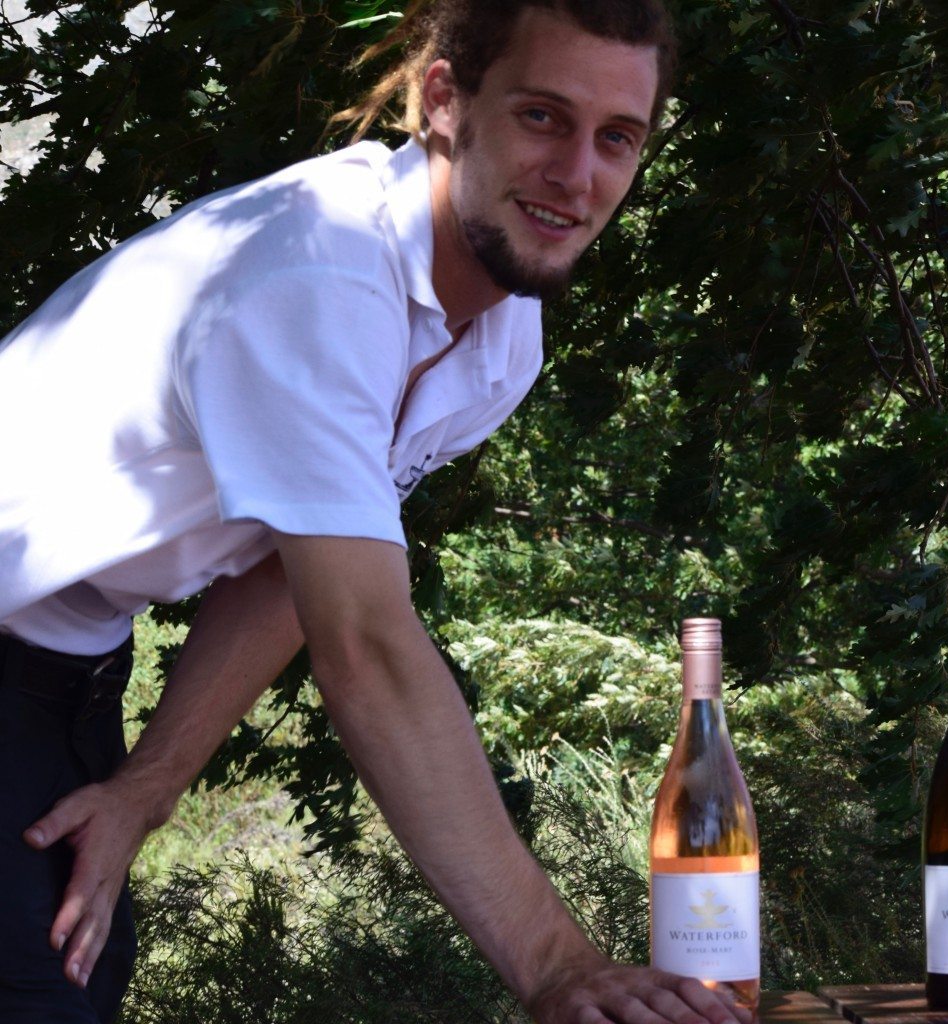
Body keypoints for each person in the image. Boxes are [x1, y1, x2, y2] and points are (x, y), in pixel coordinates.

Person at [0, 2, 754, 1022]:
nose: (579, 175)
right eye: (542, 117)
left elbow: (292, 577)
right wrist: (556, 964)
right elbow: (365, 645)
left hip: (69, 675)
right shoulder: (314, 275)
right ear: (445, 100)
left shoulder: (498, 338)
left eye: (616, 137)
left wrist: (146, 785)